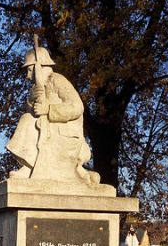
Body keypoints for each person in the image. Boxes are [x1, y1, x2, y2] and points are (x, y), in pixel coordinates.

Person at [7, 45, 100, 183]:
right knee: (27, 118)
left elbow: (77, 107)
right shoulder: (36, 87)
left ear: (40, 66)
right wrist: (31, 102)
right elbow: (35, 114)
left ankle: (31, 166)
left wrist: (49, 110)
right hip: (48, 128)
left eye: (30, 70)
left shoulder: (57, 79)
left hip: (65, 132)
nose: (27, 76)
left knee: (27, 121)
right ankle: (30, 165)